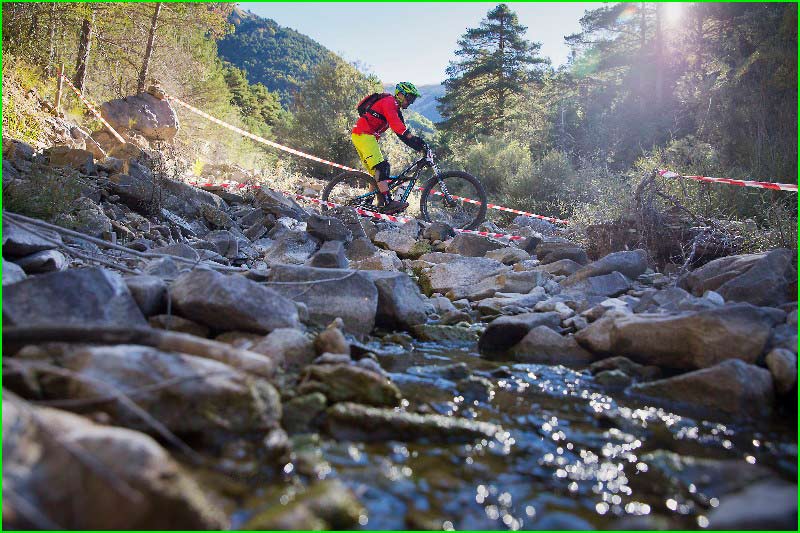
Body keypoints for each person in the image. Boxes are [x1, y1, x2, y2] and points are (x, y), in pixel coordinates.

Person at [351, 82, 428, 214]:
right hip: (363, 135)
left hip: (366, 137)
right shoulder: (389, 102)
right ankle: (388, 202)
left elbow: (402, 134)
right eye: (409, 98)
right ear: (399, 94)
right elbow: (398, 126)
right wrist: (417, 141)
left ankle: (368, 205)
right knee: (382, 168)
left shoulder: (395, 108)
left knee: (379, 174)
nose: (410, 102)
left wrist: (419, 147)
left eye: (413, 99)